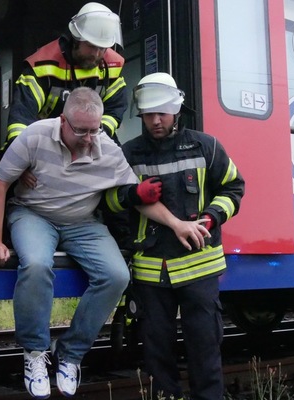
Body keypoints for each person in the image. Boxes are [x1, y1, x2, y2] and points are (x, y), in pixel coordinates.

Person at [0, 87, 210, 399]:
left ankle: (71, 354)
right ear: (63, 121)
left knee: (117, 276)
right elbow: (0, 182)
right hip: (34, 214)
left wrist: (176, 223)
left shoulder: (106, 148)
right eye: (82, 130)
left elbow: (137, 199)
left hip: (82, 222)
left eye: (96, 129)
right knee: (36, 264)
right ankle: (35, 352)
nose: (90, 138)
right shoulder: (35, 136)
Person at [111, 72, 245, 400]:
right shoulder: (129, 154)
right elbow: (110, 201)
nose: (155, 121)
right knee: (157, 355)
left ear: (176, 111)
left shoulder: (207, 147)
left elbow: (234, 188)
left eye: (162, 114)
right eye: (148, 115)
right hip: (151, 274)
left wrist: (212, 218)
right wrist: (131, 196)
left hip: (200, 269)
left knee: (205, 351)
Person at [0, 2, 127, 189]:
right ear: (76, 39)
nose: (97, 54)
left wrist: (94, 139)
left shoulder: (113, 66)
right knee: (5, 172)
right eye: (92, 46)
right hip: (45, 143)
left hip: (90, 140)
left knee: (120, 176)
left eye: (103, 48)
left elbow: (114, 111)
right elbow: (21, 119)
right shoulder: (42, 65)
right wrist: (23, 161)